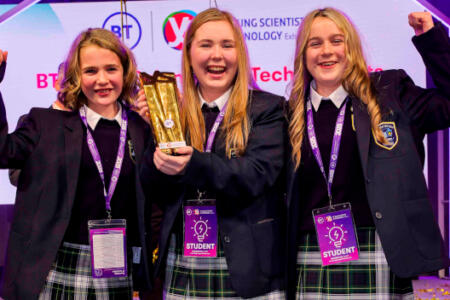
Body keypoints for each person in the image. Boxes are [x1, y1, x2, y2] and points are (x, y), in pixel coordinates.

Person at [286, 8, 450, 300]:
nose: (326, 51)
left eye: (336, 41)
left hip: (381, 250)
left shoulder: (391, 93)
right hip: (310, 255)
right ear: (303, 54)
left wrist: (432, 40)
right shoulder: (288, 115)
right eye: (315, 43)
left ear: (351, 47)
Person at [138, 8, 286, 299]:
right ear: (189, 53)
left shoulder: (268, 108)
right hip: (183, 266)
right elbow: (154, 190)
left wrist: (191, 161)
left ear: (240, 54)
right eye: (206, 45)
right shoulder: (172, 112)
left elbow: (253, 177)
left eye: (227, 45)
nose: (217, 55)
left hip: (249, 269)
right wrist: (156, 132)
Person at [0, 28, 155, 299]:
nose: (103, 80)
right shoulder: (45, 124)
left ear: (126, 71)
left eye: (111, 69)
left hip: (118, 269)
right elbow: (2, 152)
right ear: (75, 76)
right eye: (91, 71)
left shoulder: (141, 129)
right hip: (55, 268)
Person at [8, 62, 70, 187]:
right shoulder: (31, 122)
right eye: (69, 81)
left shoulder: (92, 124)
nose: (74, 88)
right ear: (57, 84)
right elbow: (15, 176)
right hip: (46, 204)